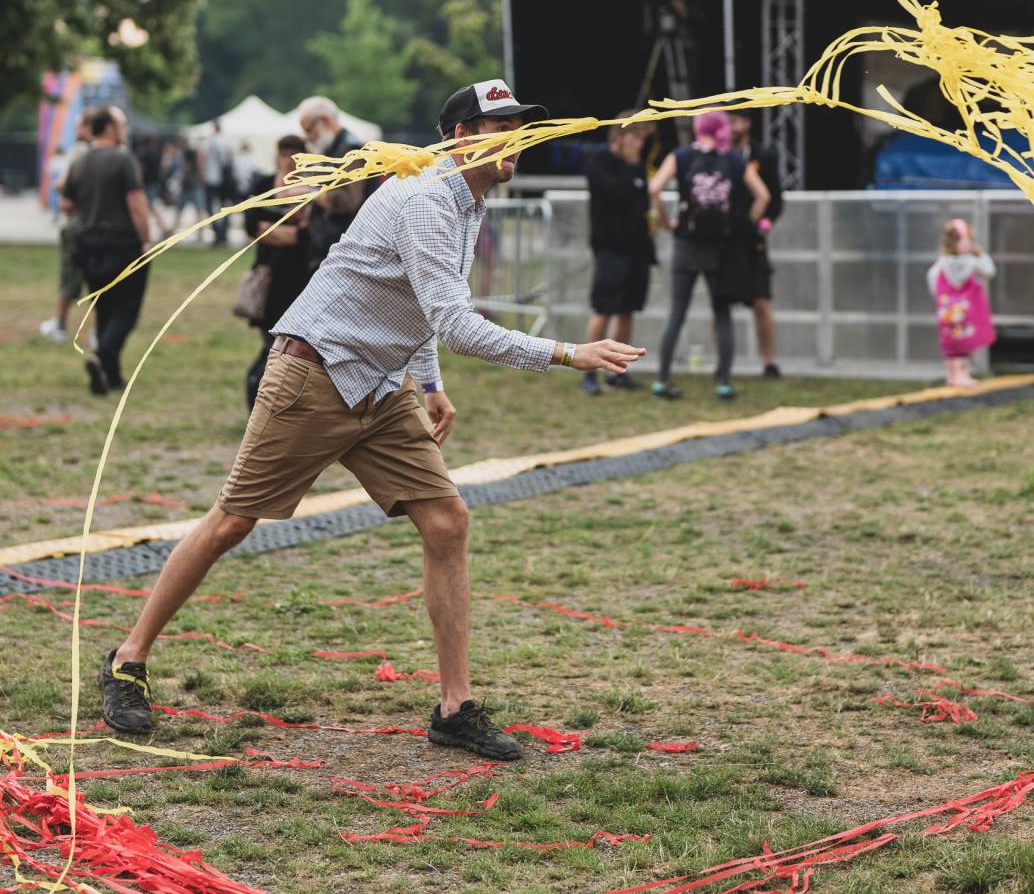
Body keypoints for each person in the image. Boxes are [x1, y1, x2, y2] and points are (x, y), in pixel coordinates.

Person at [97, 78, 644, 761]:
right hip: (314, 374)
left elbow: (416, 307)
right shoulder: (424, 201)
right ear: (459, 137)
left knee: (447, 521)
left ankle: (454, 707)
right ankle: (127, 660)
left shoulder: (466, 199)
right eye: (498, 124)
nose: (516, 137)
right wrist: (568, 352)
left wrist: (430, 383)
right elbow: (455, 323)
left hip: (382, 390)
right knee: (233, 521)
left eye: (521, 124)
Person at [647, 111, 768, 401]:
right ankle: (723, 381)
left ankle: (662, 378)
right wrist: (745, 226)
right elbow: (764, 196)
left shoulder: (681, 155)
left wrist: (666, 223)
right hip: (721, 247)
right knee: (722, 314)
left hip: (686, 243)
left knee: (677, 311)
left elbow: (654, 188)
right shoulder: (736, 160)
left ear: (697, 128)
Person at [61, 107, 151, 395]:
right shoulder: (123, 160)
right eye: (121, 124)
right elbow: (136, 203)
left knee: (103, 308)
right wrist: (146, 240)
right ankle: (101, 357)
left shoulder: (81, 160)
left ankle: (110, 375)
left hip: (88, 244)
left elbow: (67, 204)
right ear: (109, 128)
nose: (124, 129)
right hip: (122, 243)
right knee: (126, 311)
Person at [580, 122, 656, 396]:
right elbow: (616, 192)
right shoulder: (600, 161)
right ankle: (588, 372)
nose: (640, 143)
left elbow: (643, 201)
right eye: (636, 137)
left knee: (628, 309)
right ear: (620, 136)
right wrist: (631, 164)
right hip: (610, 248)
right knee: (604, 309)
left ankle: (619, 371)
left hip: (637, 249)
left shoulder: (638, 166)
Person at [240, 134, 314, 411]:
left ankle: (268, 395)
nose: (288, 160)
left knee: (288, 342)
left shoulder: (313, 189)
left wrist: (272, 229)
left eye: (295, 154)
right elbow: (252, 226)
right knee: (270, 339)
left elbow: (307, 235)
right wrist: (287, 228)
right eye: (284, 153)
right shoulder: (263, 184)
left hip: (298, 277)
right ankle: (259, 393)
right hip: (269, 275)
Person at [723, 112, 785, 378]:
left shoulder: (764, 155)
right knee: (721, 302)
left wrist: (764, 222)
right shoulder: (717, 154)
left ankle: (768, 361)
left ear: (747, 123)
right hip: (725, 237)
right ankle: (724, 363)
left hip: (752, 239)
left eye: (735, 120)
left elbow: (774, 199)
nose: (731, 126)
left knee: (761, 301)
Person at [296, 95, 377, 271]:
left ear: (324, 121)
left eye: (309, 130)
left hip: (341, 251)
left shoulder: (350, 151)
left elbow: (347, 201)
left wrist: (309, 193)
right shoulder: (333, 148)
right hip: (328, 248)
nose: (307, 138)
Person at [39, 118, 93, 343]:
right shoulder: (112, 153)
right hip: (100, 224)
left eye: (79, 124)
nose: (75, 128)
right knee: (99, 279)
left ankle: (60, 325)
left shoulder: (80, 151)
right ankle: (98, 332)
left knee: (70, 277)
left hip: (78, 222)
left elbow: (62, 185)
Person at [927, 218, 996, 387]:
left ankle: (952, 375)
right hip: (966, 311)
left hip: (946, 310)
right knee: (964, 343)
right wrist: (980, 254)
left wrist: (941, 300)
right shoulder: (971, 260)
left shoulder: (942, 262)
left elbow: (932, 278)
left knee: (951, 344)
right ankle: (961, 375)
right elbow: (989, 271)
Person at [201, 121, 235, 246]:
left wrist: (201, 174)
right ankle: (223, 232)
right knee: (224, 206)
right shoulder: (227, 141)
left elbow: (202, 157)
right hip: (224, 179)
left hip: (211, 177)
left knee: (210, 206)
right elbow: (231, 159)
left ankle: (217, 231)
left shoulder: (208, 141)